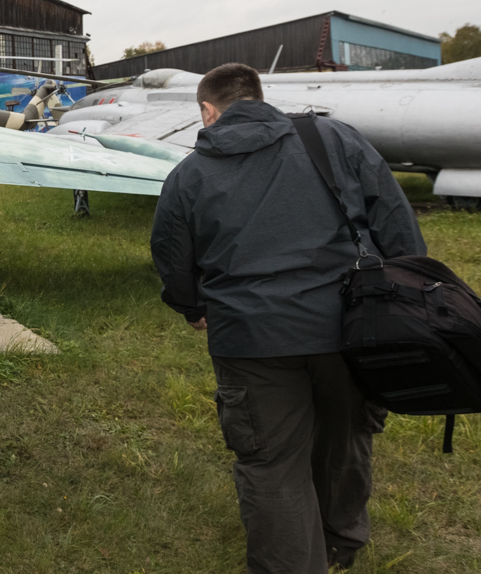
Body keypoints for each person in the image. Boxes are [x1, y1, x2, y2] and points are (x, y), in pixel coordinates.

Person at [149, 62, 425, 574]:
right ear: (259, 96)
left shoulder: (188, 174)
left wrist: (191, 307)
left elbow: (170, 253)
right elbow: (395, 220)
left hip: (252, 340)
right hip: (351, 325)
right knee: (345, 436)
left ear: (208, 111)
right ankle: (340, 543)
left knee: (271, 462)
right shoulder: (334, 138)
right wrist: (406, 299)